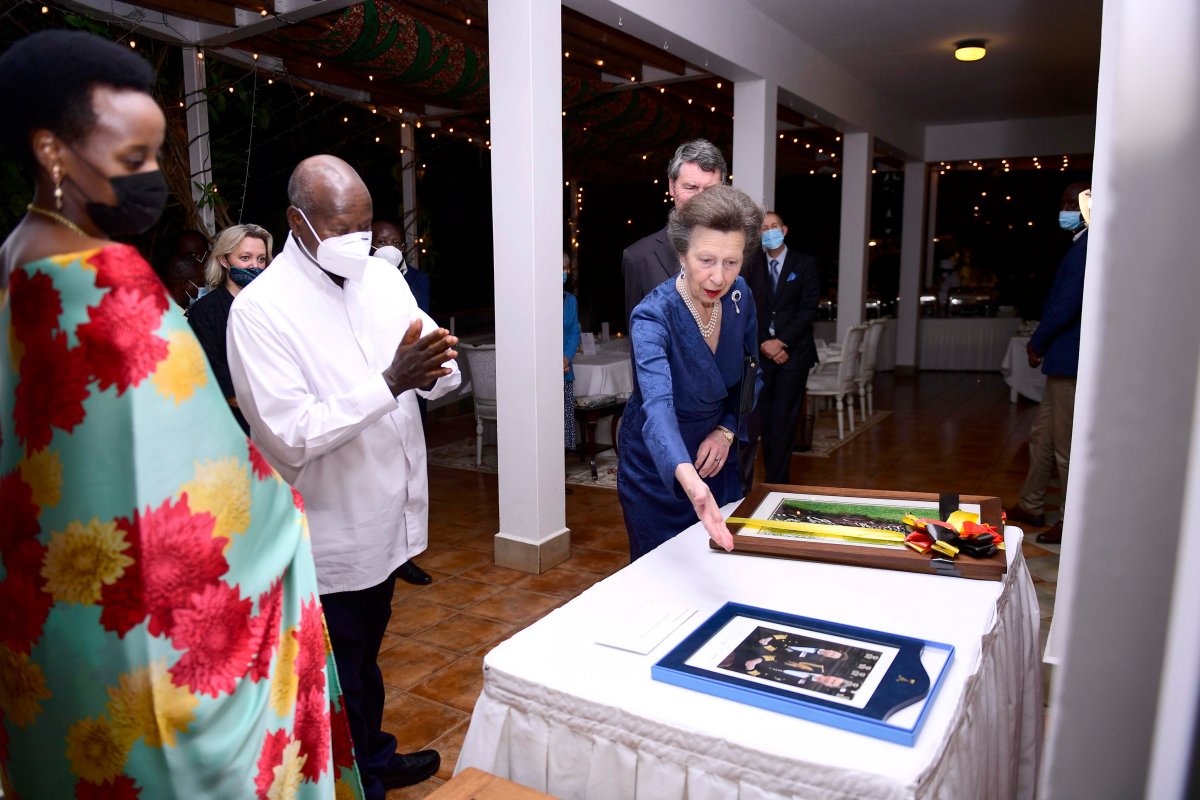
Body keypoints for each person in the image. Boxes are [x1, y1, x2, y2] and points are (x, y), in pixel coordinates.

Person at [0, 30, 360, 798]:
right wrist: (277, 507)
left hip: (48, 619)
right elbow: (200, 487)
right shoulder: (111, 278)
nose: (154, 181)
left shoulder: (14, 260)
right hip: (140, 642)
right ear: (52, 151)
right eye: (132, 161)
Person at [227, 155, 461, 797]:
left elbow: (433, 364)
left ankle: (373, 754)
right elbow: (290, 434)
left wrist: (436, 368)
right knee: (335, 672)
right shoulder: (260, 311)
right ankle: (354, 781)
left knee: (364, 658)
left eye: (365, 225)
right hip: (327, 531)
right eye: (341, 228)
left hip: (391, 513)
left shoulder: (380, 279)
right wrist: (389, 382)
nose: (359, 241)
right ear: (297, 222)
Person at [617, 185, 763, 560]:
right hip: (659, 468)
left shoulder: (740, 296)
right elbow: (657, 406)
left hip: (717, 455)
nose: (719, 277)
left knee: (723, 565)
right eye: (706, 260)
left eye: (731, 262)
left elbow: (750, 376)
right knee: (665, 573)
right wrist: (692, 484)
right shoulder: (653, 315)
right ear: (681, 254)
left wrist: (726, 431)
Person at [1006, 183, 1092, 545]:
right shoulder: (1079, 246)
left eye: (1070, 203)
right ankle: (1031, 503)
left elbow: (1066, 306)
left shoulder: (1087, 248)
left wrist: (1038, 340)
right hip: (1062, 362)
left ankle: (1071, 521)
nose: (1065, 210)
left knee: (1064, 445)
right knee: (1042, 437)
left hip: (1070, 360)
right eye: (1063, 203)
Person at [370, 218, 435, 585]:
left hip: (411, 389)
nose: (388, 245)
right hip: (378, 391)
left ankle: (406, 555)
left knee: (411, 469)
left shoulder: (413, 280)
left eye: (394, 240)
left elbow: (418, 322)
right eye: (381, 241)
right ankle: (388, 556)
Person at [740, 211, 820, 488]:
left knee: (784, 420)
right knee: (760, 418)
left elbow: (808, 308)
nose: (770, 231)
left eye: (774, 226)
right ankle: (759, 480)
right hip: (760, 355)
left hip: (793, 354)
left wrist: (781, 341)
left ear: (784, 230)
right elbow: (746, 308)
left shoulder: (805, 264)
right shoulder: (751, 265)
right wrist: (764, 342)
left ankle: (777, 482)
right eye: (764, 228)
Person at [622, 138, 726, 325]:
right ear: (672, 186)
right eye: (690, 187)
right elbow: (638, 342)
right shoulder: (638, 257)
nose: (700, 198)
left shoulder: (742, 254)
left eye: (710, 189)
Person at [187, 223, 273, 434]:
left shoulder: (276, 306)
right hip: (234, 428)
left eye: (261, 259)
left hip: (282, 424)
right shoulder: (205, 312)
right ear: (224, 260)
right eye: (245, 258)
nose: (255, 265)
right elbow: (213, 379)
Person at [371, 219, 430, 314]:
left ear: (403, 248)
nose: (389, 247)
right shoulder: (359, 277)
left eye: (396, 243)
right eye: (382, 242)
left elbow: (423, 316)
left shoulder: (417, 278)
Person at [563, 251, 582, 453]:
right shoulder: (540, 301)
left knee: (564, 421)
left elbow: (574, 332)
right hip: (544, 373)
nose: (562, 272)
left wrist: (566, 358)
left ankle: (560, 472)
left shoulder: (571, 300)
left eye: (564, 268)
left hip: (564, 370)